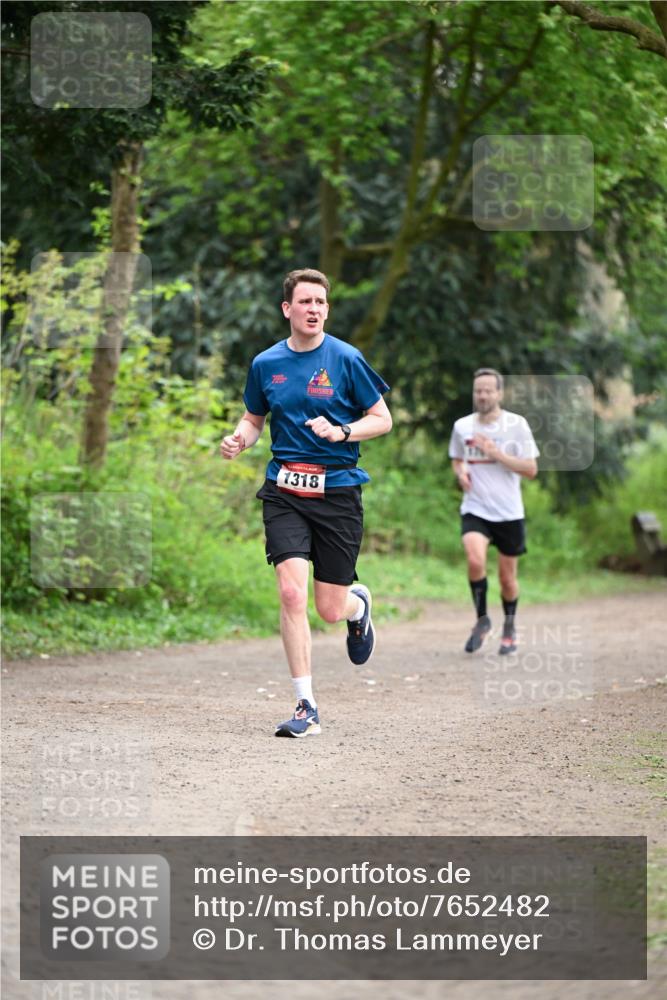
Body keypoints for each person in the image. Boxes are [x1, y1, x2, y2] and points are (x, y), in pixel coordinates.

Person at [220, 268, 392, 737]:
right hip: (285, 491)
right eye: (306, 301)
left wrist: (343, 431)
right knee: (291, 592)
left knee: (329, 610)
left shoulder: (346, 358)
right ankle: (305, 705)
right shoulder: (266, 364)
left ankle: (358, 607)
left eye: (321, 302)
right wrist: (240, 438)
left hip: (337, 492)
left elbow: (382, 418)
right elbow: (254, 419)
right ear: (287, 309)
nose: (315, 309)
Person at [448, 368, 539, 655]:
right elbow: (457, 458)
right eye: (478, 391)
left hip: (509, 512)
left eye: (488, 390)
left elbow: (531, 469)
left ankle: (510, 627)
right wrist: (461, 473)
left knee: (506, 578)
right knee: (475, 560)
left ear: (499, 393)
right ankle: (482, 621)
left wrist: (496, 453)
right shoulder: (462, 426)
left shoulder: (516, 425)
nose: (483, 395)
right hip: (475, 508)